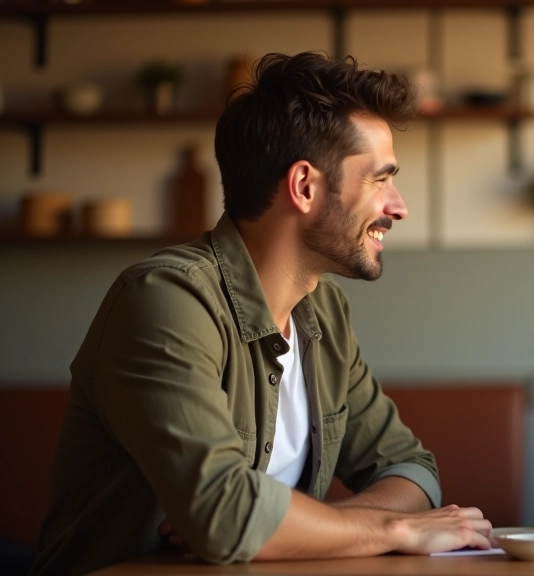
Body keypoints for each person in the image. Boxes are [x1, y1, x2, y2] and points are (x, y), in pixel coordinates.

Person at [31, 52, 492, 576]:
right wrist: (395, 530)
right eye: (379, 179)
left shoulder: (324, 313)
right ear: (303, 186)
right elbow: (226, 518)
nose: (398, 205)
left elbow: (411, 471)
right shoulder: (165, 300)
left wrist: (301, 527)